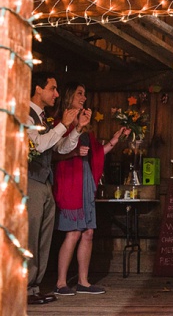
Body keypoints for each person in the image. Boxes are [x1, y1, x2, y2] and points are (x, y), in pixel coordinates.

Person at [52, 83, 129, 296]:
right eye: (79, 93)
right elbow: (55, 155)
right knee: (74, 233)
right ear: (68, 97)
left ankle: (83, 282)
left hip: (86, 183)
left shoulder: (85, 129)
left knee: (87, 233)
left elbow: (96, 154)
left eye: (84, 94)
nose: (84, 97)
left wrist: (115, 138)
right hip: (71, 183)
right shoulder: (61, 125)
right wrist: (74, 154)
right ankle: (60, 283)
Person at [27, 73, 89, 305]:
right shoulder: (25, 114)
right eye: (52, 89)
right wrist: (63, 124)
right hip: (30, 180)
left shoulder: (42, 117)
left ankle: (34, 287)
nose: (56, 94)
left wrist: (76, 129)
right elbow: (39, 144)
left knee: (44, 237)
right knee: (30, 236)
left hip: (45, 182)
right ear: (37, 89)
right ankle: (24, 286)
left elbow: (59, 148)